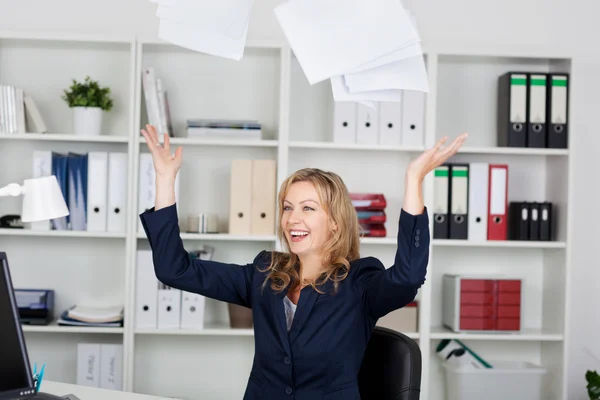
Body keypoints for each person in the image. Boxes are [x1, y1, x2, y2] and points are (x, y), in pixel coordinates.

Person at [139, 124, 467, 400]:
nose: (293, 219)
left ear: (335, 222)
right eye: (287, 207)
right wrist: (165, 181)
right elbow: (175, 269)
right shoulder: (265, 273)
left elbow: (408, 278)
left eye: (308, 208)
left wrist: (413, 180)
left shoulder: (360, 283)